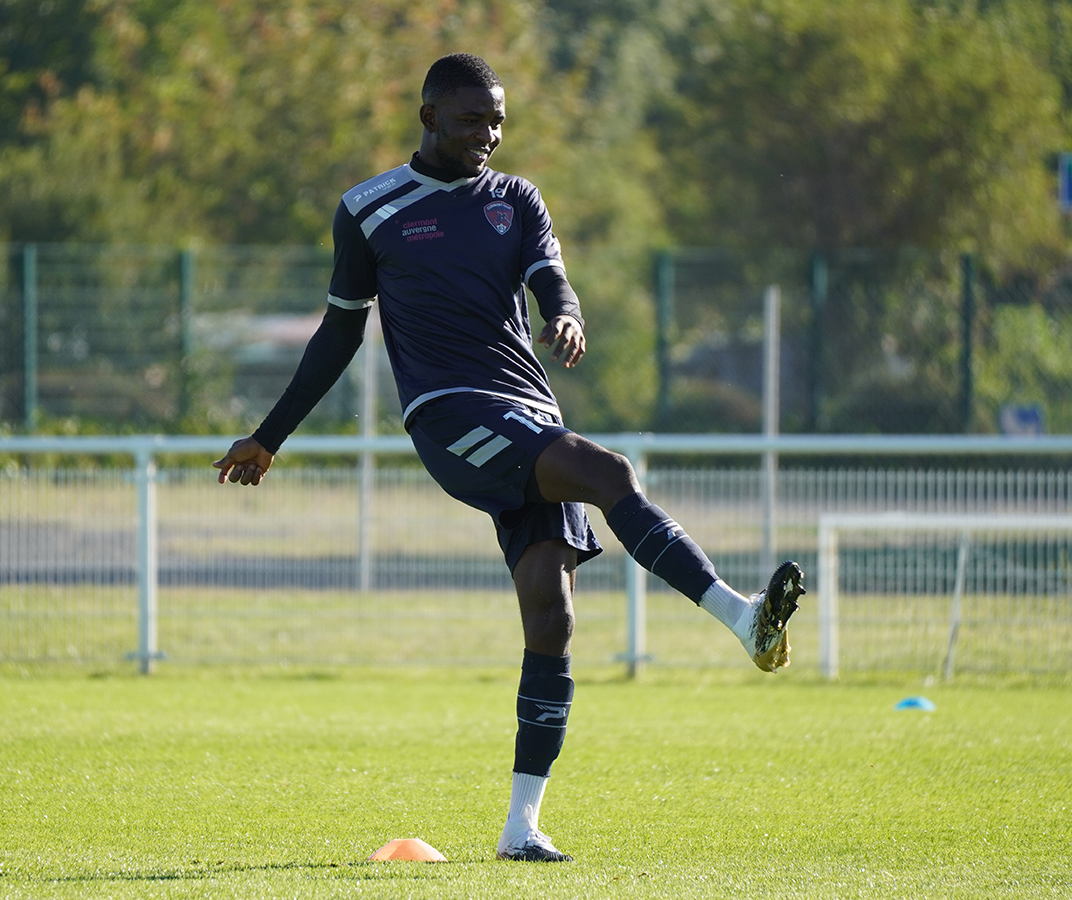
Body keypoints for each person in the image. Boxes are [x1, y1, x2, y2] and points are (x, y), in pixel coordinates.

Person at [214, 52, 804, 863]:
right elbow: (340, 333)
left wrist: (565, 316)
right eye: (469, 120)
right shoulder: (369, 209)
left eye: (496, 119)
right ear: (428, 118)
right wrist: (269, 435)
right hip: (449, 416)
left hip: (530, 415)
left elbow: (550, 281)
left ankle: (521, 827)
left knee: (551, 614)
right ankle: (742, 618)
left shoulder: (516, 198)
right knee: (612, 475)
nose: (486, 134)